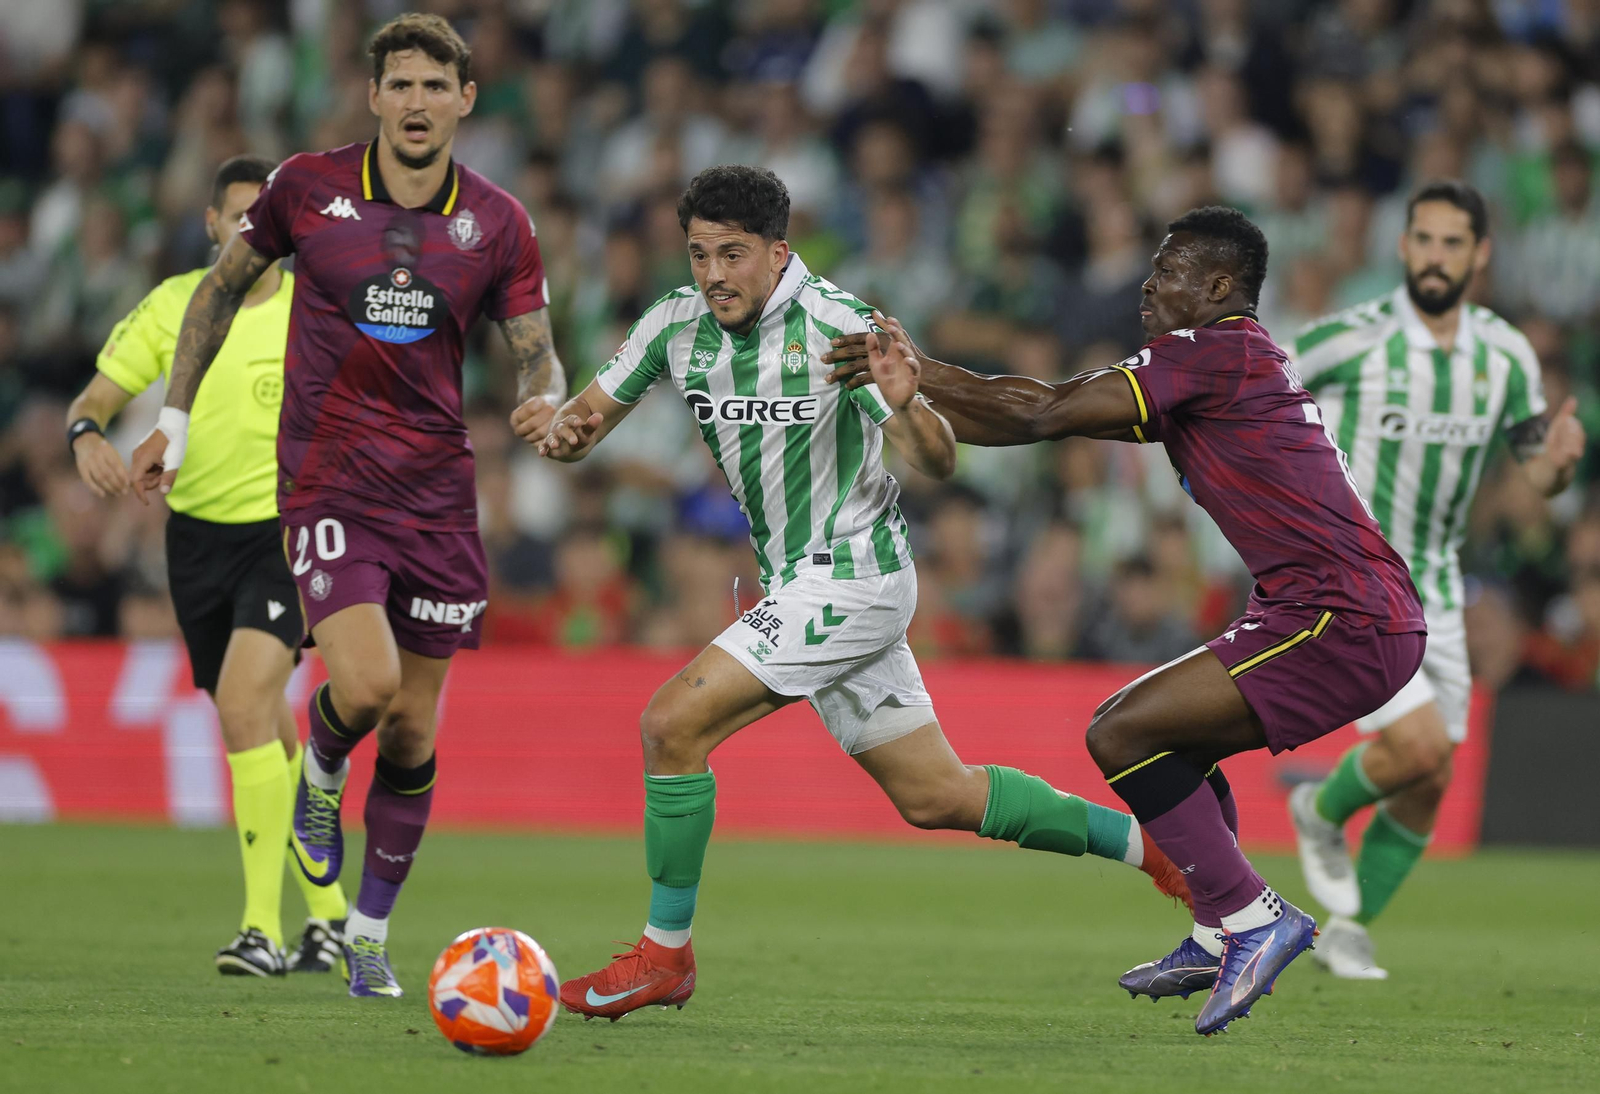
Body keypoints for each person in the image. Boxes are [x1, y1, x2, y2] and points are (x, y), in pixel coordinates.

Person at [528, 164, 1193, 1023]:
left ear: (778, 251)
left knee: (671, 723)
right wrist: (561, 430)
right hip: (803, 581)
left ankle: (664, 955)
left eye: (733, 255)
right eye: (699, 255)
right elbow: (582, 425)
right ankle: (1164, 854)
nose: (714, 275)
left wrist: (909, 404)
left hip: (855, 574)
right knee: (937, 796)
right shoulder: (671, 325)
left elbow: (939, 459)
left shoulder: (840, 326)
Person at [824, 206, 1426, 1036]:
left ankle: (1254, 918)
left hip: (1341, 615)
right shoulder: (1226, 366)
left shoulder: (1211, 352)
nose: (1148, 283)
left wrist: (921, 369)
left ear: (1219, 288)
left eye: (1169, 269)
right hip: (1337, 610)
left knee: (1121, 735)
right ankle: (1220, 930)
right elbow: (1030, 417)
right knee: (1164, 739)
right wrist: (915, 384)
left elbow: (1040, 408)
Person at [129, 13, 566, 998]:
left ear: (465, 100)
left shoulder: (497, 221)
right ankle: (321, 772)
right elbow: (214, 293)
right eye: (398, 85)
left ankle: (366, 936)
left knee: (412, 734)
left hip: (439, 498)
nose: (415, 102)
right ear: (373, 97)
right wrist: (176, 420)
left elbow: (534, 343)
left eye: (433, 86)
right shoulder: (304, 189)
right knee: (361, 687)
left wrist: (542, 397)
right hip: (330, 482)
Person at [1285, 181, 1583, 979]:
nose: (1437, 256)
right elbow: (1257, 396)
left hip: (1440, 593)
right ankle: (1320, 807)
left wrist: (1554, 470)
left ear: (1480, 255)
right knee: (1415, 746)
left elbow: (1533, 471)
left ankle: (1345, 927)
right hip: (1353, 581)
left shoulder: (1505, 354)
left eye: (1455, 243)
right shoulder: (1347, 340)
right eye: (1424, 239)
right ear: (1403, 246)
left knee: (1430, 775)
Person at [68, 154, 350, 978]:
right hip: (194, 541)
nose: (249, 231)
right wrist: (86, 437)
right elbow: (94, 401)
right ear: (212, 225)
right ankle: (329, 916)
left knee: (239, 706)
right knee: (264, 726)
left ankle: (262, 929)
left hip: (288, 534)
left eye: (264, 218)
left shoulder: (316, 309)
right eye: (237, 217)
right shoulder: (175, 306)